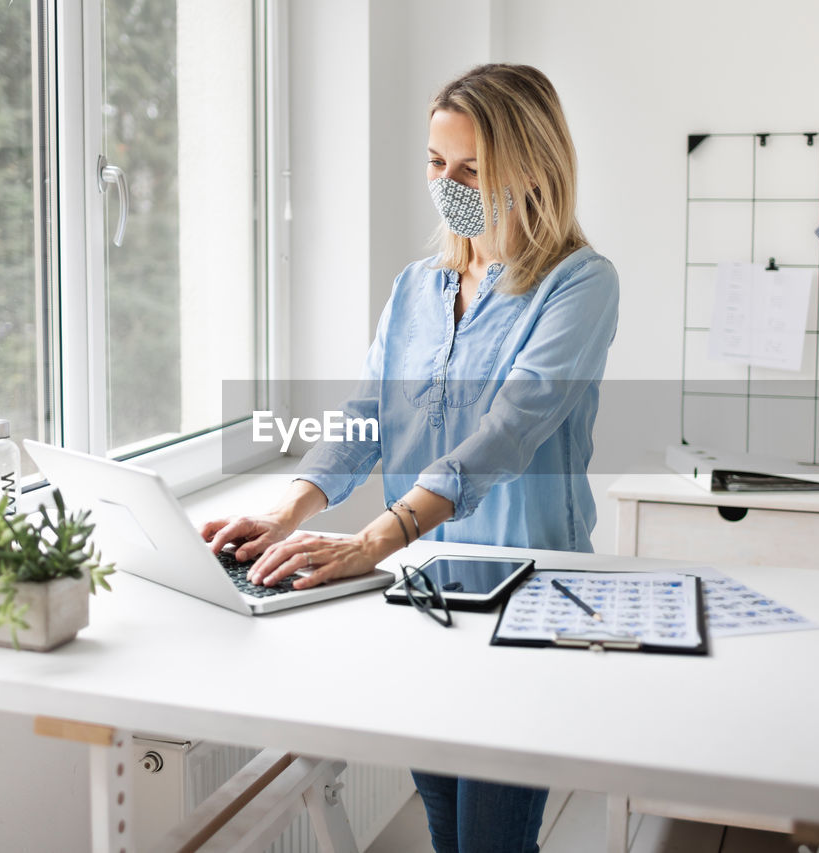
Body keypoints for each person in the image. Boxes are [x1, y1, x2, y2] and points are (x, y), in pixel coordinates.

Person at [202, 63, 618, 853]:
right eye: (436, 162)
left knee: (493, 838)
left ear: (532, 167)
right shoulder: (416, 288)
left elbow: (512, 426)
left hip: (523, 598)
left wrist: (371, 539)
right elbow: (366, 416)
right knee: (446, 827)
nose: (448, 182)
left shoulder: (580, 284)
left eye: (472, 167)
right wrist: (286, 509)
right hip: (423, 592)